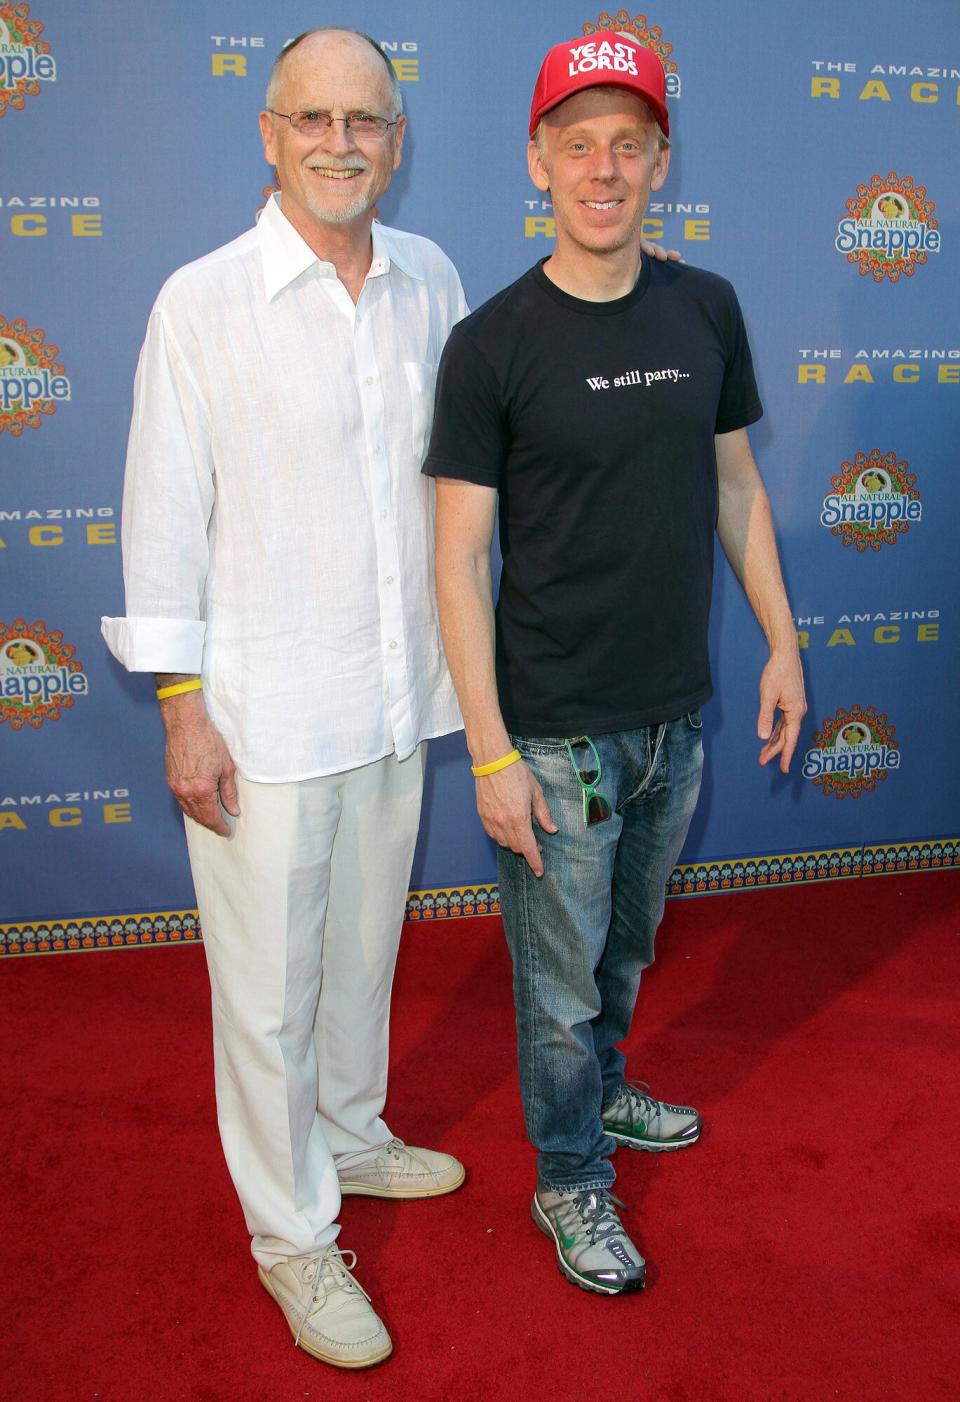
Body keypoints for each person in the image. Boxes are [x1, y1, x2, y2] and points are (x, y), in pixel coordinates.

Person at [101, 28, 469, 1371]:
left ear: (397, 137)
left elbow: (459, 490)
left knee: (363, 945)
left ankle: (354, 1135)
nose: (339, 142)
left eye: (364, 119)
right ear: (268, 134)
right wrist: (183, 704)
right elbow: (162, 521)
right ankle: (293, 1237)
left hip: (392, 693)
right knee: (263, 989)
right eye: (312, 118)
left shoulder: (432, 280)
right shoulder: (199, 303)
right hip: (259, 710)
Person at [426, 32, 806, 1297]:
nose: (605, 168)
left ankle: (608, 1089)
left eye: (629, 144)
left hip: (674, 723)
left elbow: (735, 488)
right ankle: (570, 1175)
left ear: (659, 161)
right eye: (578, 143)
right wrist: (488, 751)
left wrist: (782, 646)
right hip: (551, 736)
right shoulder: (492, 343)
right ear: (538, 159)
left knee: (621, 957)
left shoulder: (707, 305)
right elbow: (457, 562)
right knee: (555, 984)